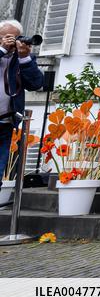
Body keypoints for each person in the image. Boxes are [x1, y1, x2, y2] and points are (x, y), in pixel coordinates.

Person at [0, 20, 44, 181]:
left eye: (15, 38)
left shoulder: (22, 59)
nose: (11, 41)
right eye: (6, 37)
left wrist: (24, 58)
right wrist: (2, 50)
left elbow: (36, 84)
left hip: (5, 122)